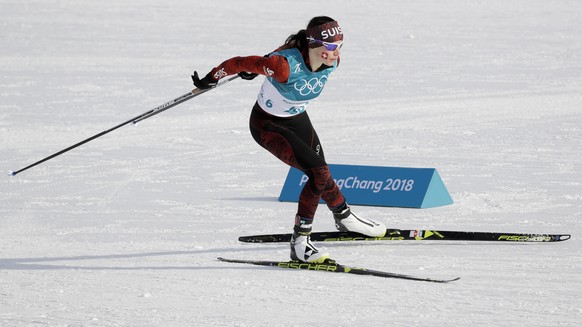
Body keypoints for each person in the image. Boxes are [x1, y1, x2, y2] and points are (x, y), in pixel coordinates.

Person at [192, 16, 386, 263]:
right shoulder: (283, 67)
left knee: (322, 173)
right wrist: (210, 78)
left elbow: (275, 55)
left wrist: (264, 63)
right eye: (329, 47)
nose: (334, 53)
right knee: (318, 172)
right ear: (313, 45)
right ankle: (300, 243)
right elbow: (239, 62)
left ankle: (345, 217)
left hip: (297, 118)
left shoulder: (331, 62)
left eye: (339, 46)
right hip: (268, 125)